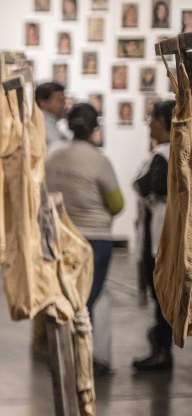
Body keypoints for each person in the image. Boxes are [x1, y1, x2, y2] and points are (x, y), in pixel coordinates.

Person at [45, 104, 124, 374]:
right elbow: (117, 204)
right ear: (94, 127)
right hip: (95, 239)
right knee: (87, 301)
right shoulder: (99, 160)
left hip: (62, 235)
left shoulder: (54, 155)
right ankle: (84, 362)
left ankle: (61, 354)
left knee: (64, 296)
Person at [132, 100, 175, 371]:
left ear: (161, 121)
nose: (149, 123)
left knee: (161, 293)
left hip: (160, 235)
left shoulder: (162, 155)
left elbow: (150, 184)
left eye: (151, 118)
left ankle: (162, 349)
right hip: (166, 232)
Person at [36, 81, 70, 147]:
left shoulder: (51, 123)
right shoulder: (43, 124)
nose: (64, 105)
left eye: (64, 100)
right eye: (59, 100)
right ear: (42, 102)